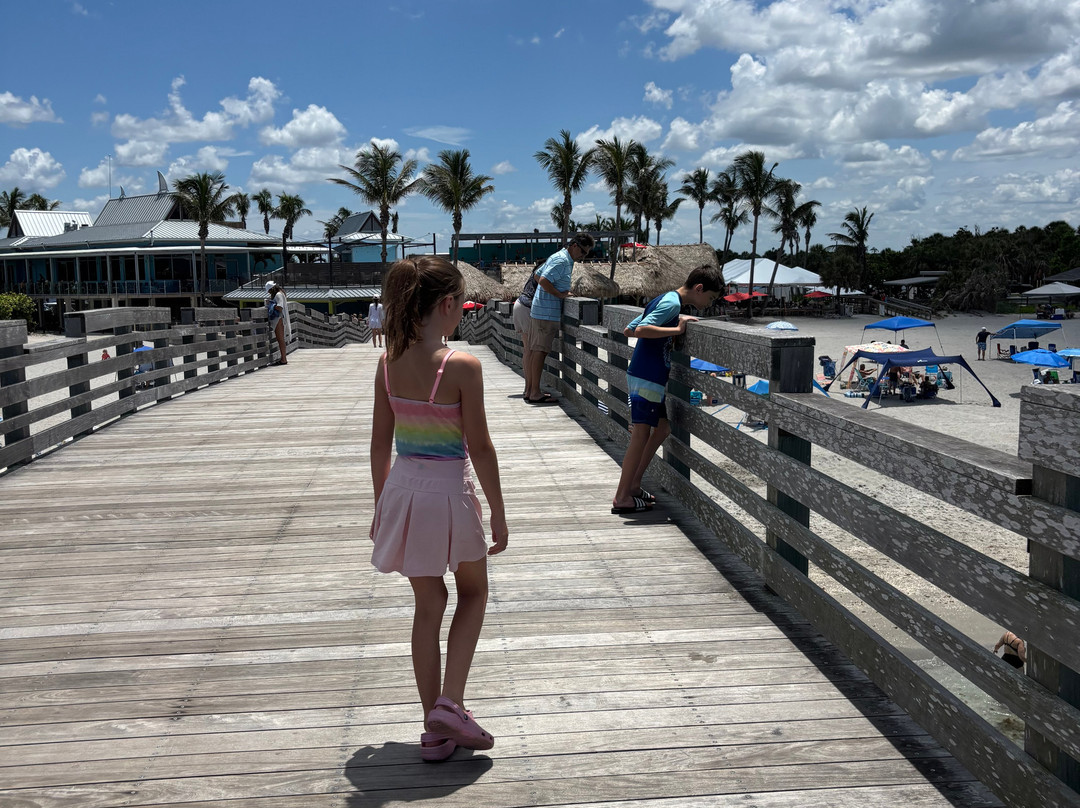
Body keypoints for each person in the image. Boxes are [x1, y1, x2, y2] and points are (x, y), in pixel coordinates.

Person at [369, 256, 508, 762]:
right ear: (447, 304)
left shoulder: (388, 363)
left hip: (404, 491)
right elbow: (481, 447)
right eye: (462, 304)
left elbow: (379, 446)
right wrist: (498, 511)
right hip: (449, 491)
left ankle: (435, 725)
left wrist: (382, 507)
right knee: (474, 592)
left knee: (428, 604)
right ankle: (450, 703)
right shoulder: (461, 366)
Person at [612, 264, 723, 514]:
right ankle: (622, 497)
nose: (709, 303)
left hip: (647, 376)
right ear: (699, 288)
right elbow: (641, 331)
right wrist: (677, 328)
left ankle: (634, 485)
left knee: (662, 429)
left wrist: (675, 321)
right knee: (640, 435)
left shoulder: (666, 299)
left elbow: (629, 328)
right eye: (711, 298)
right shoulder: (672, 304)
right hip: (647, 376)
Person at [524, 233, 595, 404]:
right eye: (583, 252)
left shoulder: (558, 257)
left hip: (540, 310)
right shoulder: (562, 260)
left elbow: (537, 275)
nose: (583, 256)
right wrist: (559, 294)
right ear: (575, 245)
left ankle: (530, 390)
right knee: (540, 352)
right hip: (546, 312)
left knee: (536, 351)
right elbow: (543, 280)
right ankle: (534, 392)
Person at [512, 259, 546, 398]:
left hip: (520, 304)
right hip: (527, 307)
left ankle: (528, 389)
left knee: (528, 350)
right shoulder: (544, 272)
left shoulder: (536, 272)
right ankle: (532, 391)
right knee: (531, 350)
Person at [265, 281, 291, 365]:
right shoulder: (281, 293)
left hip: (279, 319)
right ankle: (283, 358)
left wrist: (271, 305)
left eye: (269, 291)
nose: (269, 293)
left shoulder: (278, 295)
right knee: (281, 340)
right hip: (280, 319)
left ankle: (283, 359)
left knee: (280, 340)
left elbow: (280, 307)